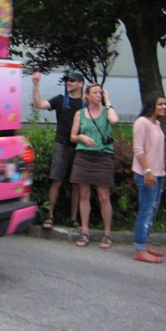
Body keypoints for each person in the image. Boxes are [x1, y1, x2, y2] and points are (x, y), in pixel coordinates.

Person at [32, 71, 84, 230]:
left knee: (77, 184)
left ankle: (74, 219)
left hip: (80, 147)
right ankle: (50, 217)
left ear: (81, 84)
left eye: (72, 80)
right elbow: (38, 105)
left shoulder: (86, 104)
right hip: (61, 145)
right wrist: (35, 85)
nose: (68, 82)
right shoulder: (60, 100)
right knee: (56, 181)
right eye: (67, 80)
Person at [69, 83, 119, 248]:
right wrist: (82, 137)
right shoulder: (80, 114)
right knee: (84, 194)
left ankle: (107, 233)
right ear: (87, 96)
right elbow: (72, 136)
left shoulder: (106, 112)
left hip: (103, 156)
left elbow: (115, 120)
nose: (98, 95)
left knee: (104, 196)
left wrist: (108, 101)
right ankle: (85, 230)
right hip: (84, 156)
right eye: (95, 92)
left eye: (100, 92)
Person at [132, 92, 166, 264]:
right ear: (152, 105)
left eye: (165, 104)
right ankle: (140, 249)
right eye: (160, 104)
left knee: (152, 211)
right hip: (147, 174)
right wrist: (147, 171)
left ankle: (144, 244)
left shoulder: (157, 123)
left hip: (159, 174)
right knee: (145, 211)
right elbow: (138, 150)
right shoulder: (142, 123)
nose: (164, 107)